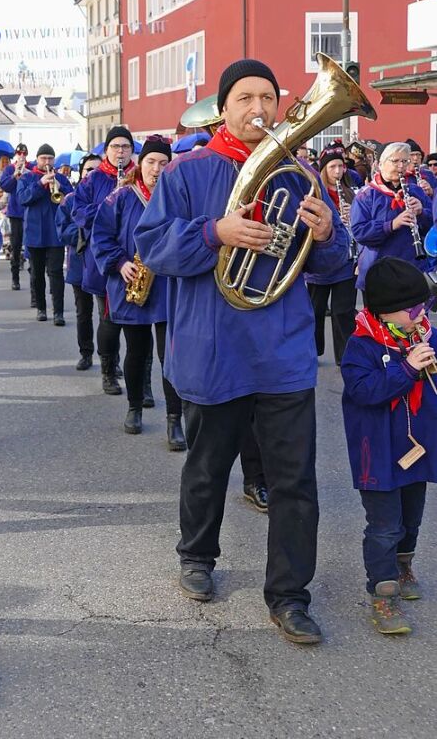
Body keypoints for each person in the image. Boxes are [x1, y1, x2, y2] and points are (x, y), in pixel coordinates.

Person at [135, 58, 349, 644]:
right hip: (213, 349)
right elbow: (152, 245)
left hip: (281, 354)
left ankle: (289, 595)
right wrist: (215, 233)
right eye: (245, 98)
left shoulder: (299, 173)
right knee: (207, 467)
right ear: (223, 107)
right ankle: (197, 555)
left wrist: (328, 234)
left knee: (294, 482)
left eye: (267, 98)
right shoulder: (187, 172)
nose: (258, 109)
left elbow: (332, 267)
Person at [340, 257, 437, 635]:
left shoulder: (424, 334)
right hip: (377, 454)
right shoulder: (361, 345)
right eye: (413, 309)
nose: (420, 314)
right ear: (385, 311)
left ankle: (403, 565)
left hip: (416, 450)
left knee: (411, 518)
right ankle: (382, 595)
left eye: (424, 307)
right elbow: (364, 392)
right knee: (384, 526)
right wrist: (408, 368)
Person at [91, 136, 187, 451]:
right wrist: (119, 264)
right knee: (135, 351)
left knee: (169, 356)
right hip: (132, 284)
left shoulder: (177, 198)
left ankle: (175, 421)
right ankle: (134, 407)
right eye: (150, 162)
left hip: (168, 286)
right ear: (140, 164)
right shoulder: (120, 197)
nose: (156, 169)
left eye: (163, 163)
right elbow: (101, 235)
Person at [70, 126, 135, 396]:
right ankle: (109, 370)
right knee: (108, 318)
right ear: (106, 150)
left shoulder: (142, 175)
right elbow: (80, 214)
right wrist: (112, 198)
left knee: (139, 324)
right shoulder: (93, 180)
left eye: (126, 147)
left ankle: (140, 383)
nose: (120, 152)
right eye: (115, 147)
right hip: (104, 259)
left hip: (136, 258)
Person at [351, 142, 432, 293]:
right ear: (381, 164)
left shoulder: (416, 191)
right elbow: (359, 232)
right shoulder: (366, 195)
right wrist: (391, 224)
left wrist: (422, 213)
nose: (401, 166)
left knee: (414, 315)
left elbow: (432, 228)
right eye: (395, 161)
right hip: (379, 270)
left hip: (412, 267)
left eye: (404, 161)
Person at [305, 147, 358, 365]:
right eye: (332, 167)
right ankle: (314, 352)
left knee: (343, 311)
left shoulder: (351, 192)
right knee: (315, 311)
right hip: (321, 266)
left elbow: (360, 226)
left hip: (346, 261)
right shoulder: (314, 194)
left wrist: (350, 218)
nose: (337, 171)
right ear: (324, 170)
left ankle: (344, 355)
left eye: (340, 166)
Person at [16, 144, 73, 325]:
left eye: (50, 158)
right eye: (43, 158)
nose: (47, 162)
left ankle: (58, 312)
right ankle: (41, 308)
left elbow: (73, 200)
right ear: (37, 159)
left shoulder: (62, 179)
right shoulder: (27, 178)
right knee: (37, 274)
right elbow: (22, 199)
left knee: (56, 273)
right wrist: (41, 184)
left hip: (56, 234)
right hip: (34, 234)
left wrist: (60, 190)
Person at [56, 153, 101, 370]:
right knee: (83, 312)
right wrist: (88, 231)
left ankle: (109, 360)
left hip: (104, 264)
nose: (92, 174)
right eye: (88, 170)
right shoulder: (70, 200)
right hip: (79, 262)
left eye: (96, 170)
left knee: (107, 317)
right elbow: (63, 231)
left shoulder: (111, 196)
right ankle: (86, 353)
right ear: (81, 174)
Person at [0, 144, 32, 296]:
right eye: (19, 153)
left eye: (24, 153)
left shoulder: (31, 167)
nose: (22, 155)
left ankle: (34, 280)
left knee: (31, 246)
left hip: (30, 212)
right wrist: (15, 175)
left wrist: (26, 173)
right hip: (15, 213)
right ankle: (15, 278)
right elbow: (4, 185)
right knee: (16, 245)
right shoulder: (10, 169)